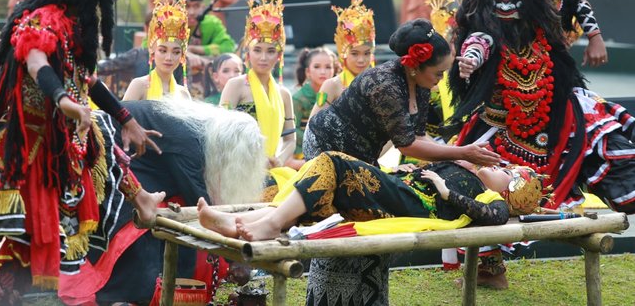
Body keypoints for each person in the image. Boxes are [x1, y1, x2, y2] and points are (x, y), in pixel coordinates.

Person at [0, 0, 164, 303]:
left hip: (59, 151)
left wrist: (127, 118)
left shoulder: (72, 26)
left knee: (31, 260)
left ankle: (141, 199)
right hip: (29, 154)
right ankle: (140, 200)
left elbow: (85, 78)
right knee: (41, 251)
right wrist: (64, 102)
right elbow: (37, 61)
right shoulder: (42, 19)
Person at [448, 0, 635, 288]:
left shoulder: (548, 11)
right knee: (471, 187)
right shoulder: (484, 31)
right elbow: (478, 44)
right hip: (499, 130)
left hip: (560, 122)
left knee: (613, 155)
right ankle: (490, 272)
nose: (505, 7)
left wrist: (595, 37)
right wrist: (469, 62)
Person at [300, 19, 500, 305]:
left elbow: (419, 136)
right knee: (342, 223)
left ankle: (372, 298)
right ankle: (326, 299)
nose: (441, 79)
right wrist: (463, 152)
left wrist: (464, 154)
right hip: (327, 148)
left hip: (363, 155)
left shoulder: (420, 85)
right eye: (438, 72)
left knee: (375, 222)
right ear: (415, 66)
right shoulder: (384, 84)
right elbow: (409, 145)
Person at [57, 99, 269, 305]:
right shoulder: (189, 143)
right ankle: (122, 295)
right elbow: (201, 204)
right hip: (99, 153)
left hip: (118, 155)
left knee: (169, 215)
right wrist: (235, 257)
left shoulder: (199, 126)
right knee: (141, 225)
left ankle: (150, 292)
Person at [198, 155, 544, 242]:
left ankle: (269, 224)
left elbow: (495, 218)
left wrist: (444, 190)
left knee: (332, 161)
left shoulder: (489, 198)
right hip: (400, 190)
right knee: (327, 175)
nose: (501, 165)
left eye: (508, 171)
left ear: (508, 191)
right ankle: (243, 223)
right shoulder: (470, 169)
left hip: (414, 204)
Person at [220, 0, 300, 170]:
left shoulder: (284, 94)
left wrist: (278, 159)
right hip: (239, 166)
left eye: (270, 51)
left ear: (278, 56)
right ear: (248, 54)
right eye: (257, 50)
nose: (263, 57)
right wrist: (252, 159)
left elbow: (290, 140)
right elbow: (221, 133)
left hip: (272, 167)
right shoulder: (236, 85)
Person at [309, 0, 375, 117]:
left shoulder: (378, 83)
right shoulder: (332, 85)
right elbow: (313, 125)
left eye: (366, 53)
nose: (361, 60)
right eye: (354, 54)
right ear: (343, 54)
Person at [123, 0, 192, 101]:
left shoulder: (184, 94)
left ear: (182, 56)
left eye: (176, 52)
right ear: (152, 51)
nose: (169, 58)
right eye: (163, 51)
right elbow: (122, 117)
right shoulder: (139, 86)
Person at [292, 47, 336, 158]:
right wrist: (316, 141)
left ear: (334, 70)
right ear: (308, 71)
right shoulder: (299, 98)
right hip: (302, 152)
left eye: (328, 67)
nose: (323, 72)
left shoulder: (338, 94)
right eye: (317, 67)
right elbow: (293, 129)